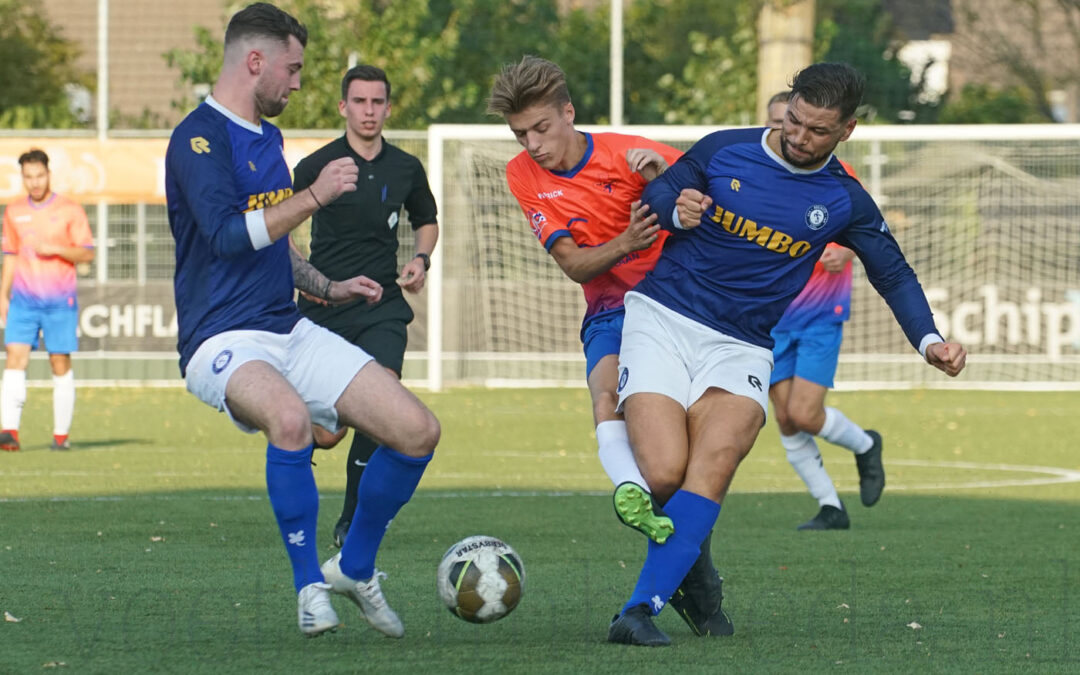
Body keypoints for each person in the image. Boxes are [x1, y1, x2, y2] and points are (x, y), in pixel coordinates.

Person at [608, 62, 967, 646]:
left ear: (846, 131)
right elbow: (663, 187)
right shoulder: (725, 150)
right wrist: (676, 209)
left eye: (817, 131)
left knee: (719, 458)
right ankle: (695, 583)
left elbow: (893, 273)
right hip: (662, 320)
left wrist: (929, 340)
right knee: (664, 473)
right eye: (793, 121)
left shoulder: (844, 198)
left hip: (742, 344)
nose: (799, 137)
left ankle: (637, 609)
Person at [165, 2, 439, 637]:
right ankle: (308, 588)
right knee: (289, 422)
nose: (296, 83)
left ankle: (354, 567)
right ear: (255, 61)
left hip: (288, 327)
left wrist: (329, 285)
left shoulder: (269, 137)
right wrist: (313, 197)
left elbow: (277, 246)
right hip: (220, 339)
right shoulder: (198, 138)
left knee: (417, 429)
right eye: (291, 69)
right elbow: (231, 237)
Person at [488, 56, 732, 639]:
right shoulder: (522, 174)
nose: (533, 144)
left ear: (568, 113)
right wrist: (626, 239)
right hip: (611, 308)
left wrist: (659, 184)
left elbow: (708, 214)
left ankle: (697, 588)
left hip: (677, 308)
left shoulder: (635, 152)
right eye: (522, 134)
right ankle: (628, 490)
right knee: (605, 392)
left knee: (674, 471)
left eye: (542, 128)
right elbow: (574, 264)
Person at [292, 64, 439, 549]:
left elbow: (427, 220)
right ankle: (286, 429)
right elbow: (278, 229)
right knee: (327, 434)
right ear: (343, 107)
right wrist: (308, 281)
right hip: (325, 307)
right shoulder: (316, 166)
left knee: (384, 396)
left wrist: (420, 258)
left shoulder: (406, 168)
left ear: (388, 108)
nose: (369, 111)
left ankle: (352, 519)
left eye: (378, 102)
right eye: (359, 101)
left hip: (382, 305)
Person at [766, 91, 884, 531]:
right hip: (771, 315)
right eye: (783, 124)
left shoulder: (837, 175)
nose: (794, 136)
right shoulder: (758, 174)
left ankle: (865, 445)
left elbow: (865, 230)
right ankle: (830, 506)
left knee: (804, 413)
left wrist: (845, 252)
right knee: (784, 417)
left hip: (820, 312)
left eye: (803, 126)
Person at [0, 149, 95, 452]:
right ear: (23, 178)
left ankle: (60, 437)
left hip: (59, 302)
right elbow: (11, 256)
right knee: (14, 358)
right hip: (23, 303)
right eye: (28, 177)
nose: (35, 182)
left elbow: (86, 252)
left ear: (48, 174)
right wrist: (3, 294)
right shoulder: (13, 212)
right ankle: (9, 432)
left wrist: (54, 247)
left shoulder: (69, 210)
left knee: (59, 362)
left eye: (39, 175)